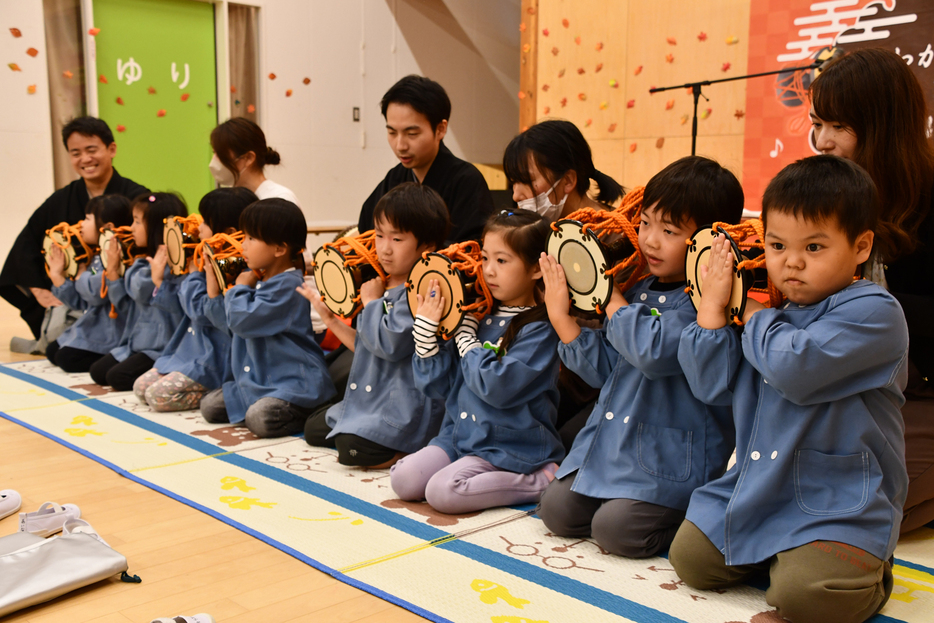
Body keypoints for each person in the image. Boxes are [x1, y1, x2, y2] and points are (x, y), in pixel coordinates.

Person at [672, 156, 909, 623]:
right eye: (777, 245)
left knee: (807, 596)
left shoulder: (876, 312)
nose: (791, 262)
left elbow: (795, 366)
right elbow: (709, 386)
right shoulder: (767, 311)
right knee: (691, 560)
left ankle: (862, 572)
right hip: (764, 486)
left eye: (815, 247)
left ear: (861, 247)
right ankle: (784, 551)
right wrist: (713, 314)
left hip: (841, 498)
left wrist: (755, 312)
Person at [536, 156, 743, 558]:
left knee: (616, 532)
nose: (649, 240)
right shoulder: (640, 288)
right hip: (615, 447)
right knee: (556, 512)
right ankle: (618, 501)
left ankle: (687, 516)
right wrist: (561, 317)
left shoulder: (706, 304)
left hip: (667, 460)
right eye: (646, 222)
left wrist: (609, 296)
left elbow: (651, 351)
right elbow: (604, 371)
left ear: (709, 242)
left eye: (669, 230)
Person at [809, 47, 934, 535]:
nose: (821, 141)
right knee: (793, 496)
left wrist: (866, 308)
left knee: (862, 515)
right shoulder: (830, 196)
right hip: (850, 388)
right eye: (816, 123)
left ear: (881, 125)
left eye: (836, 126)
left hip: (918, 392)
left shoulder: (924, 198)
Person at [390, 210, 563, 514]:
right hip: (459, 436)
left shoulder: (540, 328)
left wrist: (467, 341)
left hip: (508, 445)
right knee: (403, 480)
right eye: (485, 258)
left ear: (536, 268)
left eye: (502, 260)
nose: (489, 271)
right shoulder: (476, 315)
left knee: (443, 493)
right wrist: (426, 336)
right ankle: (462, 468)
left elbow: (496, 386)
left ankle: (540, 479)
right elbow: (438, 386)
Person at [302, 183, 450, 467]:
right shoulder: (384, 282)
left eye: (397, 239)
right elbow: (365, 345)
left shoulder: (422, 290)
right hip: (373, 397)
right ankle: (368, 435)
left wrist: (372, 303)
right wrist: (331, 319)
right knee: (313, 428)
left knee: (350, 449)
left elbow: (390, 345)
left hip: (402, 406)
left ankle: (410, 450)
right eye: (379, 235)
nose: (384, 248)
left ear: (427, 246)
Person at [0, 117, 148, 340]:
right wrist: (40, 292)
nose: (85, 159)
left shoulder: (136, 197)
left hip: (123, 304)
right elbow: (27, 246)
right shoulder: (61, 200)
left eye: (91, 150)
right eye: (75, 153)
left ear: (112, 149)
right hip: (73, 298)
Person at [199, 198, 336, 438]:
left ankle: (308, 409)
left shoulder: (289, 286)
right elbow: (229, 325)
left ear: (279, 249)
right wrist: (213, 290)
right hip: (258, 381)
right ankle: (261, 403)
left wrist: (238, 288)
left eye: (251, 239)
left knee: (259, 418)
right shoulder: (261, 282)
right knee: (209, 406)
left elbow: (242, 320)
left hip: (292, 383)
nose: (243, 246)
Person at [132, 187, 257, 411]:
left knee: (158, 396)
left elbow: (201, 313)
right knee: (141, 387)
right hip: (189, 350)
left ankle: (214, 389)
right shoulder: (203, 257)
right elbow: (181, 306)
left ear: (227, 231)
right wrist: (168, 278)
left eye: (205, 223)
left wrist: (193, 273)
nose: (198, 228)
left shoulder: (235, 268)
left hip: (214, 357)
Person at [358, 75, 494, 244]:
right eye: (392, 132)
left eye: (412, 134)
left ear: (440, 129)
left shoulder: (466, 181)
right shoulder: (394, 179)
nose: (400, 145)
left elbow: (472, 247)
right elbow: (367, 234)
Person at [89, 193, 188, 391]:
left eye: (137, 222)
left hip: (160, 347)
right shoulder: (141, 261)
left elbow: (175, 307)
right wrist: (113, 272)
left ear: (156, 228)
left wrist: (158, 280)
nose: (131, 228)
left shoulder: (175, 266)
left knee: (118, 377)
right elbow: (124, 304)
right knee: (98, 372)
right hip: (136, 343)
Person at [45, 195, 134, 372]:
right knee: (52, 351)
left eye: (87, 219)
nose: (81, 224)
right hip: (93, 326)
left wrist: (79, 275)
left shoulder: (118, 258)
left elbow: (96, 294)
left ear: (107, 227)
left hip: (110, 332)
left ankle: (109, 357)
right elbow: (79, 302)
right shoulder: (95, 257)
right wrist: (57, 275)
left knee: (66, 359)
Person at [503, 119, 624, 222]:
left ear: (568, 181)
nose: (516, 196)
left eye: (526, 181)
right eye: (514, 182)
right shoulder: (543, 230)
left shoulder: (615, 233)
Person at [209, 117, 300, 205]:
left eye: (221, 154)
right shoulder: (230, 200)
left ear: (249, 158)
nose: (215, 160)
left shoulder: (280, 200)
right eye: (215, 153)